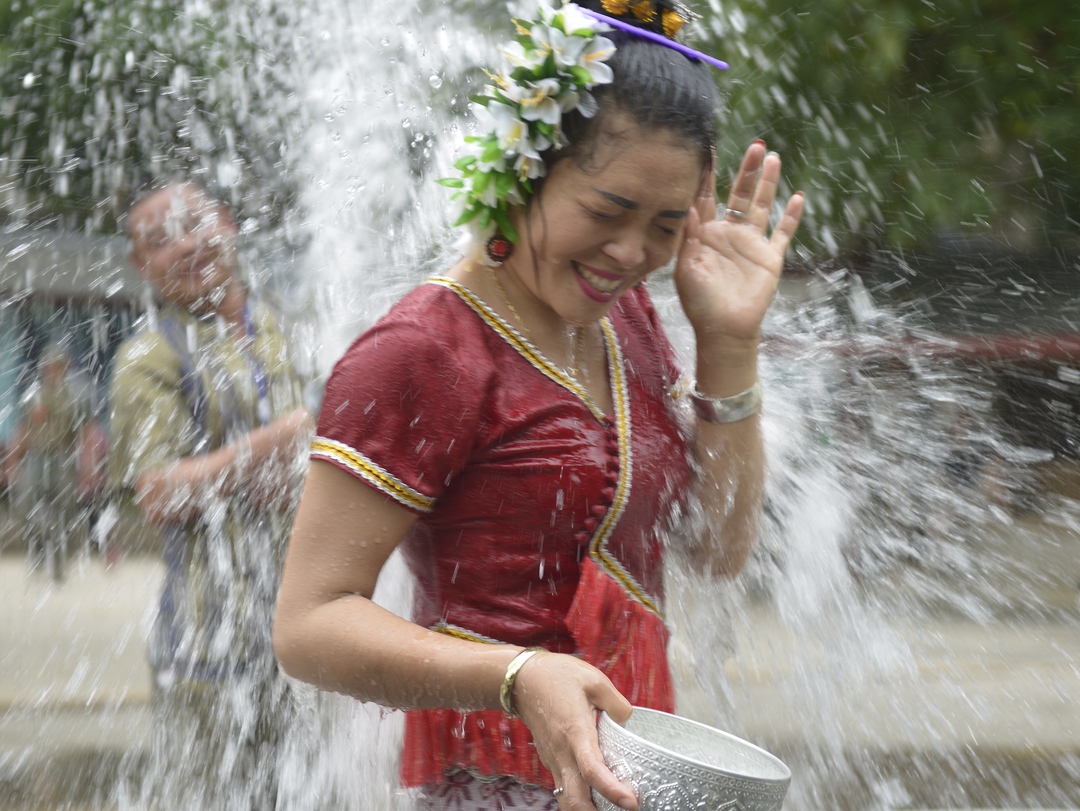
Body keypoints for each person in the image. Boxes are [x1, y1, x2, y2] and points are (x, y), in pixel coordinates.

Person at [273, 1, 804, 809]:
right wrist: (515, 675)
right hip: (491, 785)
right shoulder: (424, 353)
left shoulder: (625, 324)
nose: (631, 255)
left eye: (665, 226)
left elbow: (717, 550)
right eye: (605, 211)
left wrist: (729, 344)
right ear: (522, 167)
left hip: (634, 783)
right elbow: (308, 626)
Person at [109, 179, 312, 810]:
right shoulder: (147, 358)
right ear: (142, 264)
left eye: (193, 224)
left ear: (225, 221)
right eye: (159, 240)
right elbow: (160, 494)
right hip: (208, 651)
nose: (185, 246)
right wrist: (270, 446)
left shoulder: (290, 325)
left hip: (310, 638)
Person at [8, 343, 93, 581]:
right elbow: (23, 431)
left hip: (63, 457)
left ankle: (57, 563)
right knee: (25, 508)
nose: (53, 371)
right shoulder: (34, 396)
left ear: (65, 368)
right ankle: (36, 548)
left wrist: (88, 465)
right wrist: (13, 462)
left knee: (65, 512)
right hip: (36, 458)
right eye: (49, 367)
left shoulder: (76, 397)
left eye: (58, 367)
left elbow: (85, 433)